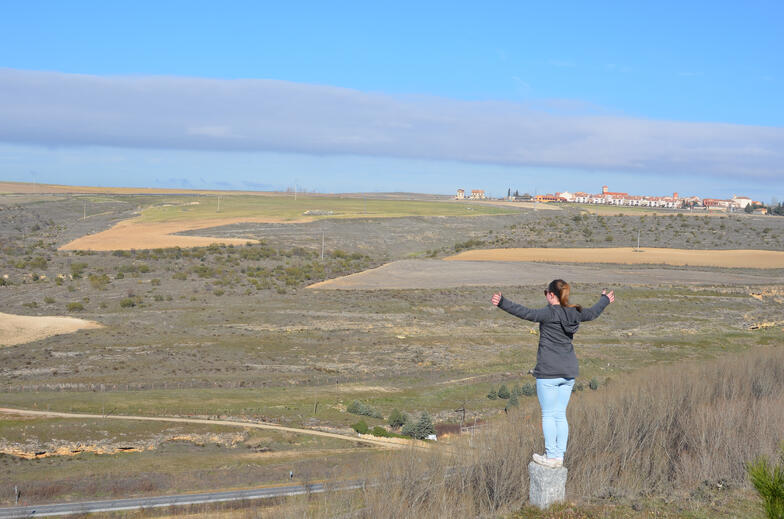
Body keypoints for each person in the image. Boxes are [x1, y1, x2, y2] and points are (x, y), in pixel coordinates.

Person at [491, 279, 614, 468]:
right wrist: (605, 299)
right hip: (568, 372)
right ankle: (559, 456)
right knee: (560, 414)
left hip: (548, 373)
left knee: (548, 414)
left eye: (545, 293)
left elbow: (525, 312)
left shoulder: (548, 313)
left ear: (551, 295)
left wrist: (502, 302)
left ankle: (550, 456)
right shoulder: (575, 313)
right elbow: (593, 313)